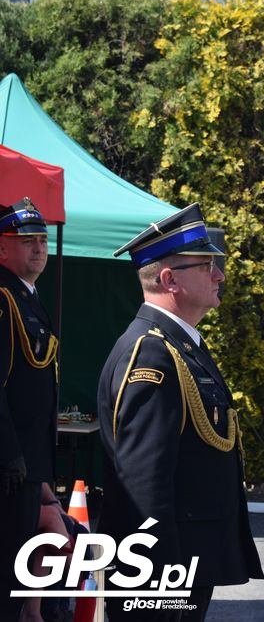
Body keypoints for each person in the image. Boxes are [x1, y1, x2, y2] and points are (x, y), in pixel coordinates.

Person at [96, 204, 263, 620]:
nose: (219, 276)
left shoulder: (181, 346)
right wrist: (158, 581)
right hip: (163, 570)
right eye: (207, 266)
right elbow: (143, 482)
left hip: (187, 560)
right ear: (169, 280)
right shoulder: (151, 353)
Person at [0, 198, 69, 621]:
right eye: (27, 241)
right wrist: (9, 456)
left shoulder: (27, 297)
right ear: (2, 248)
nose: (39, 248)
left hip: (29, 466)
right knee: (8, 572)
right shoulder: (4, 299)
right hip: (9, 466)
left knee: (33, 553)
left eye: (42, 240)